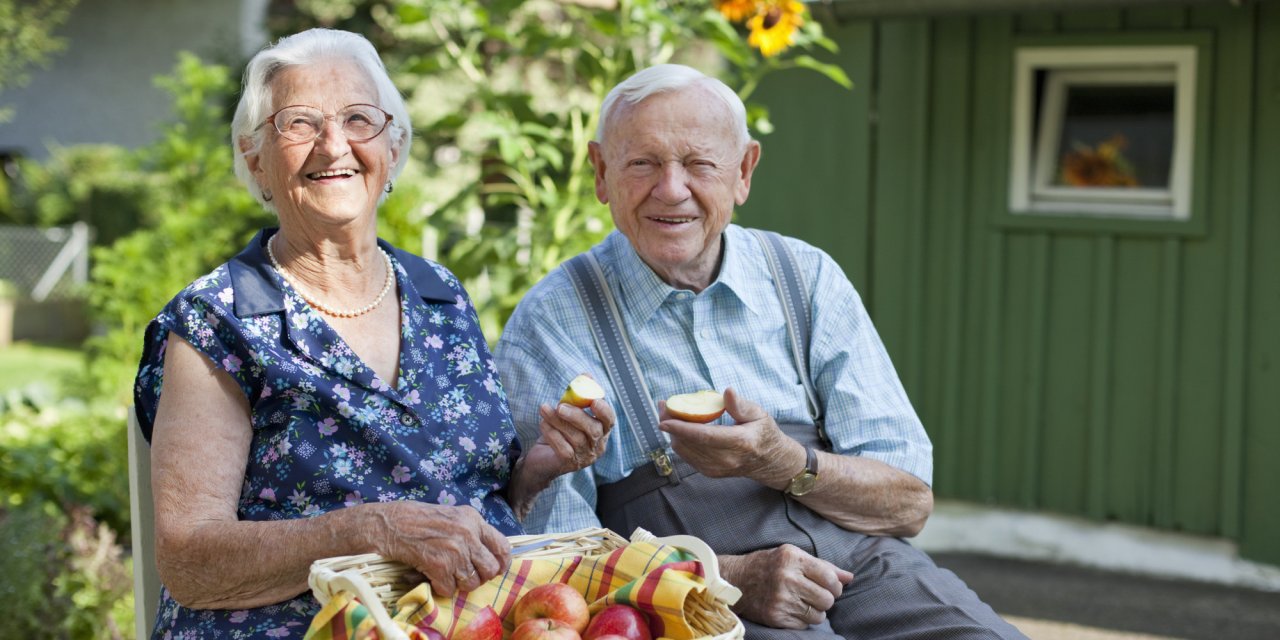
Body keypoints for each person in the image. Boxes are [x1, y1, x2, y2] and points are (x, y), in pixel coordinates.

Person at [495, 64, 1025, 639]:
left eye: (700, 163)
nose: (671, 189)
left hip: (867, 568)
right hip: (700, 599)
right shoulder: (554, 321)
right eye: (643, 163)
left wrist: (783, 461)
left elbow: (907, 504)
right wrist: (727, 576)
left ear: (743, 171)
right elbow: (554, 555)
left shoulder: (805, 277)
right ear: (601, 172)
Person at [133, 28, 613, 638]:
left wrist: (537, 469)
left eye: (359, 119)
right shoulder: (219, 320)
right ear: (256, 159)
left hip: (473, 621)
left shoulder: (439, 294)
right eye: (299, 123)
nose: (334, 145)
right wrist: (369, 530)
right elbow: (189, 562)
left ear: (392, 147)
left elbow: (470, 498)